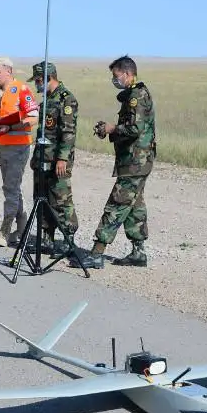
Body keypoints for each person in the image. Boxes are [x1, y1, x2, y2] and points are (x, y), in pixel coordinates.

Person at [75, 55, 156, 269]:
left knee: (117, 204)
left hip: (135, 162)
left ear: (127, 74)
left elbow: (135, 128)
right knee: (134, 205)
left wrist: (113, 129)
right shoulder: (133, 94)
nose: (114, 80)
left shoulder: (137, 95)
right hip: (136, 161)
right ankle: (138, 253)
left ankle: (96, 253)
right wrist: (109, 131)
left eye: (116, 75)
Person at [0, 56, 39, 247]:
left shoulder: (21, 89)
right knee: (12, 188)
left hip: (19, 147)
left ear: (9, 71)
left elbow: (33, 118)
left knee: (10, 189)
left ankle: (4, 232)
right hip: (4, 147)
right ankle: (22, 229)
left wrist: (12, 127)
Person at [27, 61, 80, 257]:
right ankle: (46, 238)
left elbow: (68, 132)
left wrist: (62, 159)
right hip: (42, 158)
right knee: (41, 198)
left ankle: (68, 240)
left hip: (57, 160)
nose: (37, 85)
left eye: (38, 80)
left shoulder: (66, 100)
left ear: (48, 78)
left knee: (60, 200)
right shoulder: (47, 100)